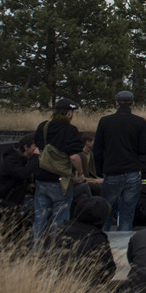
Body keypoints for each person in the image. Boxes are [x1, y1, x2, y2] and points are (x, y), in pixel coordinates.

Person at [94, 90, 146, 231]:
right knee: (127, 214)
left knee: (106, 211)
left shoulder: (105, 122)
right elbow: (145, 149)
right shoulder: (139, 122)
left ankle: (103, 244)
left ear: (116, 103)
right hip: (132, 171)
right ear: (132, 103)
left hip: (112, 170)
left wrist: (101, 170)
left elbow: (98, 149)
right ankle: (123, 246)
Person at [33, 98, 86, 246]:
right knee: (60, 219)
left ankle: (36, 252)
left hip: (42, 176)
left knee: (40, 218)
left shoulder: (44, 127)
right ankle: (55, 251)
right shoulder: (70, 130)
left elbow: (38, 146)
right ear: (69, 113)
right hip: (60, 179)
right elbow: (74, 156)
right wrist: (80, 174)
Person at [51, 196, 117, 285]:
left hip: (60, 283)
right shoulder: (97, 238)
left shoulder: (61, 229)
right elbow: (108, 269)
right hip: (87, 285)